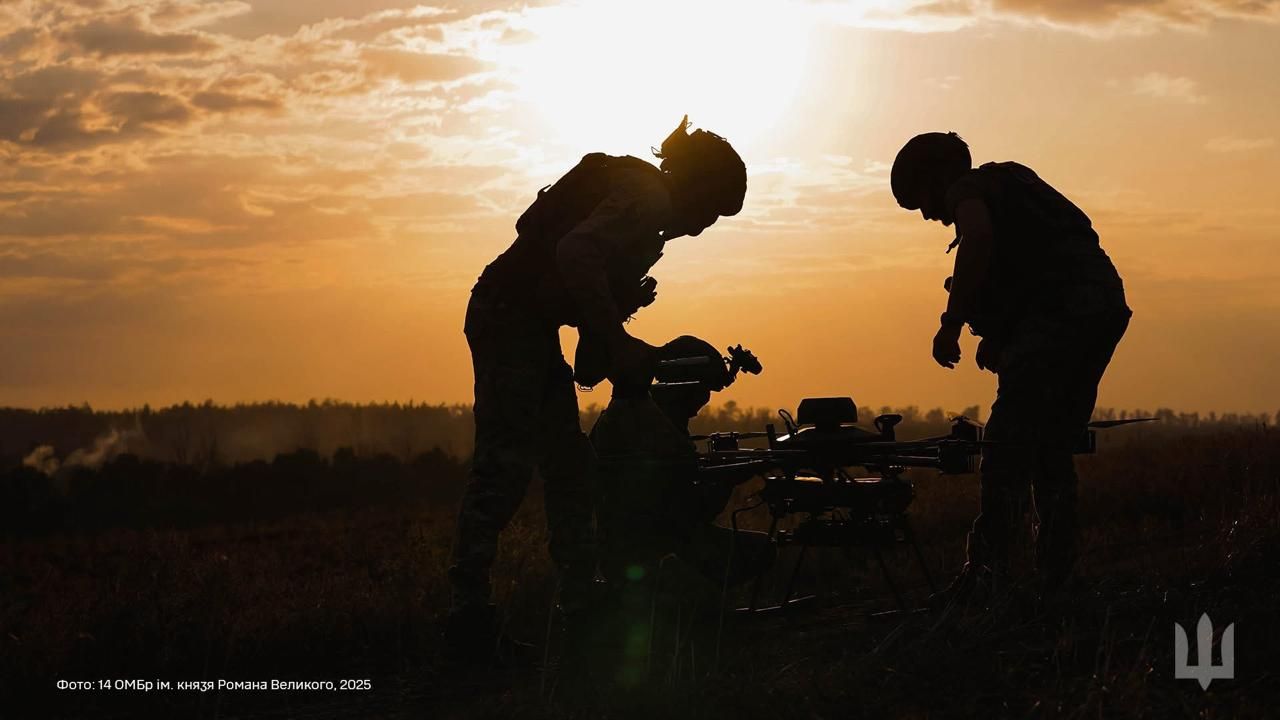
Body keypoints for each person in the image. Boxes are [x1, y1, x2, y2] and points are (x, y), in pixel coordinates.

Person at [445, 116, 747, 659]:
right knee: (502, 471)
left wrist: (622, 329)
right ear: (698, 187)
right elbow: (575, 252)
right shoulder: (647, 200)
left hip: (529, 327)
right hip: (507, 316)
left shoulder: (645, 224)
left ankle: (582, 607)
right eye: (712, 211)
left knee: (571, 470)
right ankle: (468, 619)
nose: (704, 228)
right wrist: (619, 337)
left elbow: (587, 366)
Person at [890, 132, 1131, 601]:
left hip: (1065, 312)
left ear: (938, 177)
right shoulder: (1012, 186)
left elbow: (978, 239)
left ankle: (989, 577)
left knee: (1005, 447)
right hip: (1102, 308)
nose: (927, 215)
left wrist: (952, 324)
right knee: (1051, 446)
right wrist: (1002, 336)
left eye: (921, 200)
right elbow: (1031, 265)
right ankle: (1055, 580)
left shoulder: (968, 189)